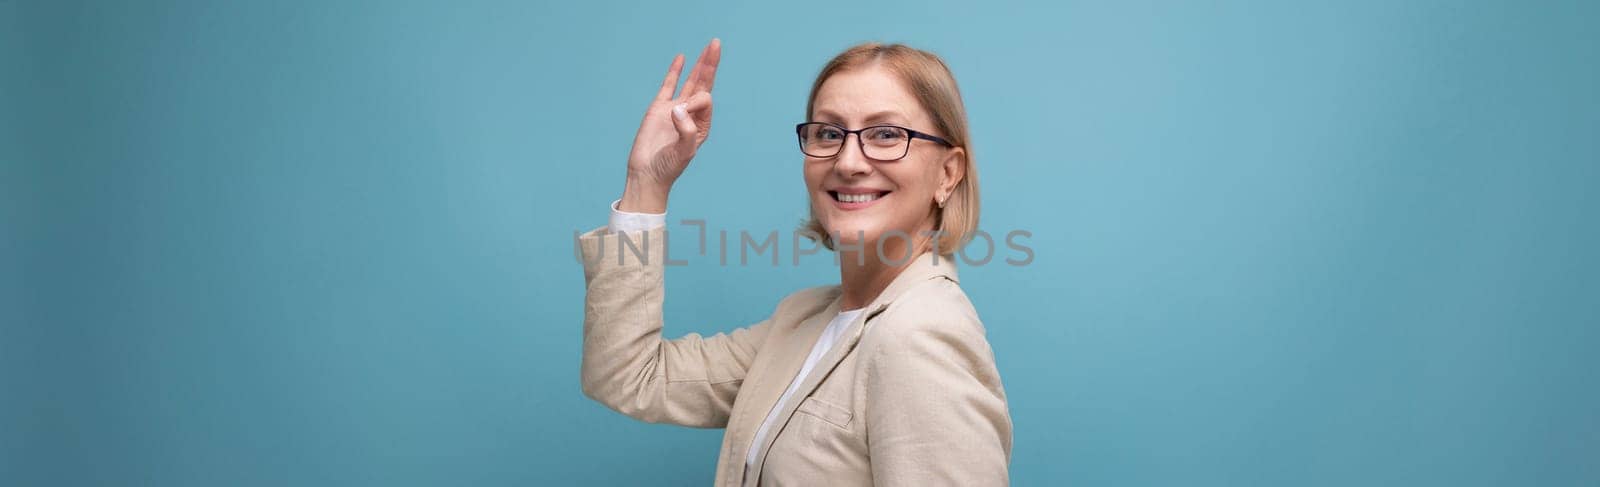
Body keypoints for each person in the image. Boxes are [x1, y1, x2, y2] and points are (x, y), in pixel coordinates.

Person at [575, 38, 1011, 486]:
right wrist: (646, 181)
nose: (848, 160)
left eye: (886, 134)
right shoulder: (805, 319)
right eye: (828, 132)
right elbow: (630, 377)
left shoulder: (921, 336)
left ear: (948, 173)